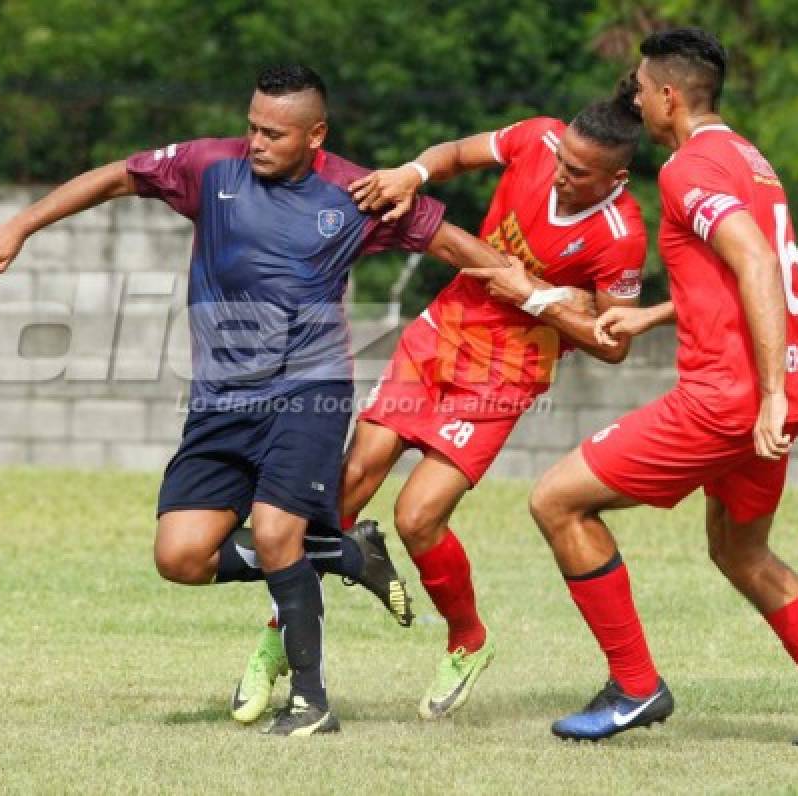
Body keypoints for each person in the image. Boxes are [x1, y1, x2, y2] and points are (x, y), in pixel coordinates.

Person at [0, 65, 538, 737]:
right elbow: (116, 174)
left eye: (275, 133)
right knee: (179, 556)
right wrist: (18, 229)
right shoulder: (209, 167)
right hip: (220, 401)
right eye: (252, 126)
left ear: (315, 134)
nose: (257, 141)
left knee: (273, 530)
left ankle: (313, 702)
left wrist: (531, 289)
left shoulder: (355, 193)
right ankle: (348, 554)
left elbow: (447, 243)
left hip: (307, 390)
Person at [226, 81, 648, 723]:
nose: (560, 175)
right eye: (561, 160)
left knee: (418, 516)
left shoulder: (621, 237)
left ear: (617, 177)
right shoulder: (536, 136)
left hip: (507, 372)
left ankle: (468, 641)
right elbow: (454, 153)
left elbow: (614, 343)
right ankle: (272, 650)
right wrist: (411, 172)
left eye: (579, 172)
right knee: (344, 489)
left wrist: (534, 297)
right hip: (443, 332)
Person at [528, 28, 798, 748]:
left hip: (732, 396)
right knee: (741, 553)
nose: (631, 95)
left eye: (638, 85)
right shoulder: (749, 160)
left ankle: (635, 686)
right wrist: (658, 314)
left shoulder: (685, 169)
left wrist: (765, 395)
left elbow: (756, 265)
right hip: (781, 384)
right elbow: (740, 271)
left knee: (556, 500)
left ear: (668, 96)